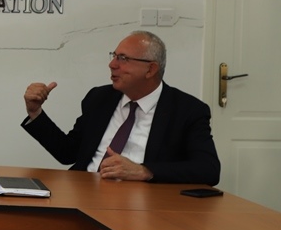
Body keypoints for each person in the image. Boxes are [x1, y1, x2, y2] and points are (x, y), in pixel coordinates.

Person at [21, 30, 220, 184]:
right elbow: (68, 153)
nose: (112, 64)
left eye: (123, 59)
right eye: (114, 56)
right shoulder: (99, 98)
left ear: (150, 69)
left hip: (143, 204)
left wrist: (144, 171)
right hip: (86, 192)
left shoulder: (187, 110)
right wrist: (35, 112)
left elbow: (209, 170)